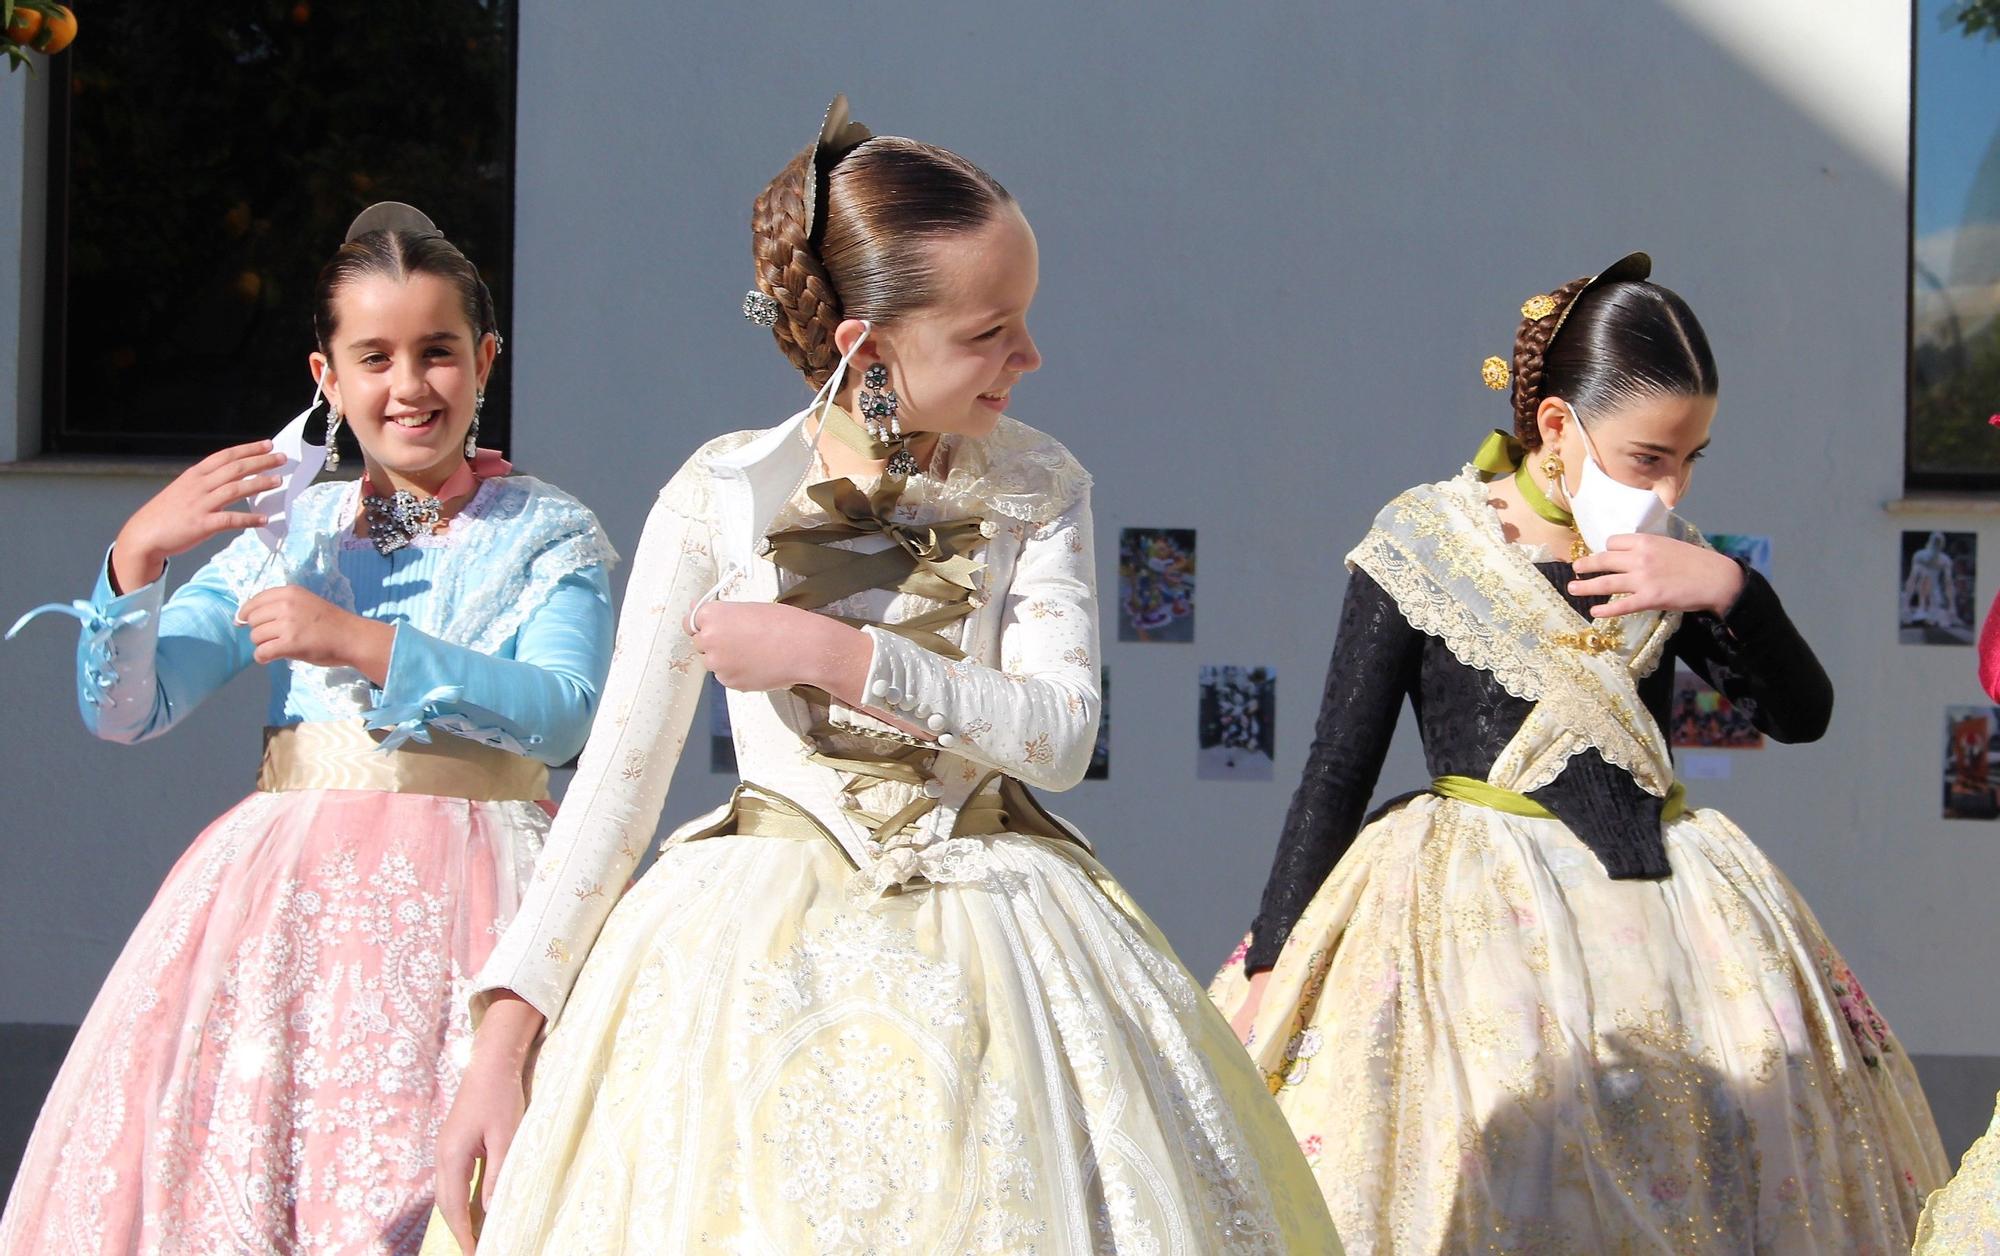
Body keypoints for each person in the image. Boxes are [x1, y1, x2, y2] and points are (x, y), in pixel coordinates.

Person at [428, 98, 1339, 1254]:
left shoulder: (1038, 482)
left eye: (1024, 322)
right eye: (986, 332)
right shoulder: (718, 493)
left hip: (1000, 955)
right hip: (747, 969)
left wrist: (831, 652)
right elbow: (610, 792)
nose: (1029, 357)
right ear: (863, 346)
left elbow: (1059, 734)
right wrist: (500, 1051)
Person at [1210, 253, 1946, 1253]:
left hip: (1672, 916)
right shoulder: (1425, 539)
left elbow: (1799, 712)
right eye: (1648, 457)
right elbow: (1335, 764)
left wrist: (1727, 587)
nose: (1671, 483)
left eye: (1691, 459)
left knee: (1722, 1147)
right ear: (1555, 427)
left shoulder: (1666, 554)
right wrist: (1271, 952)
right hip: (1473, 920)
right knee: (1505, 1143)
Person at [0, 203, 616, 1255]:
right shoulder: (290, 535)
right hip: (284, 914)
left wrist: (368, 645)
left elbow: (562, 714)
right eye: (374, 357)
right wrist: (135, 557)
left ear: (486, 360)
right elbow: (126, 707)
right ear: (326, 378)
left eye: (438, 352)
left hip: (485, 904)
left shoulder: (550, 529)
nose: (409, 385)